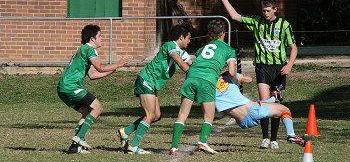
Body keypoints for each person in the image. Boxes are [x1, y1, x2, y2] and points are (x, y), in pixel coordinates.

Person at [216, 0, 298, 149]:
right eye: (264, 11)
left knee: (275, 103)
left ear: (275, 9)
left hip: (279, 69)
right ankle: (265, 138)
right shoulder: (256, 22)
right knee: (263, 101)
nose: (265, 14)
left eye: (268, 11)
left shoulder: (284, 25)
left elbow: (294, 47)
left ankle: (274, 139)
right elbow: (234, 15)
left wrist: (289, 64)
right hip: (262, 67)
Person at [116, 24, 192, 154]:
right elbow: (181, 64)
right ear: (181, 37)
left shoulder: (182, 52)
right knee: (150, 115)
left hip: (152, 84)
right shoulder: (170, 46)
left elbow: (190, 64)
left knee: (156, 115)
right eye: (188, 38)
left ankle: (125, 131)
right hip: (146, 80)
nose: (190, 41)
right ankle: (134, 146)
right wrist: (191, 74)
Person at [57, 24, 131, 154]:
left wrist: (114, 69)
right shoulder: (90, 50)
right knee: (98, 108)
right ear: (92, 39)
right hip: (71, 87)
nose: (102, 38)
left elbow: (93, 75)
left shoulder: (83, 50)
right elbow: (100, 67)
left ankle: (75, 146)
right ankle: (79, 137)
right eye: (100, 36)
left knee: (86, 112)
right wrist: (119, 63)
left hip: (63, 88)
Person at [169, 19, 237, 156]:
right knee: (209, 115)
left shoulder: (202, 49)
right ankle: (203, 142)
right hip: (207, 81)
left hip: (191, 77)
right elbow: (232, 73)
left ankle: (173, 148)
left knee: (182, 114)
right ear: (223, 33)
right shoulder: (229, 50)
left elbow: (199, 62)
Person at [215, 71, 306, 148]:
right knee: (285, 110)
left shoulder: (209, 86)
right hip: (251, 111)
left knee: (254, 104)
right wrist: (234, 74)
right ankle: (291, 135)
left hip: (241, 121)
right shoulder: (228, 76)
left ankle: (273, 99)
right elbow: (249, 79)